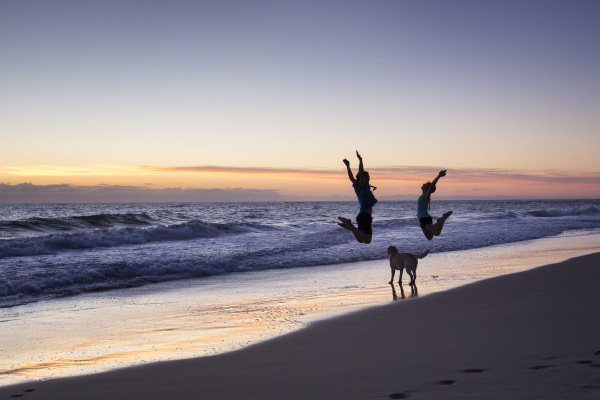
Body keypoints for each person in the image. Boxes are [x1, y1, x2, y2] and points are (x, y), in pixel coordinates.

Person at [338, 151, 377, 244]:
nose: (370, 179)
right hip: (365, 216)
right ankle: (350, 226)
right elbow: (360, 173)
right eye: (369, 177)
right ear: (364, 178)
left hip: (361, 216)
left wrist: (347, 166)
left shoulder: (357, 186)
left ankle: (349, 224)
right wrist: (360, 160)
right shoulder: (363, 186)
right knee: (367, 240)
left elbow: (351, 177)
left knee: (361, 239)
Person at [417, 170, 453, 241]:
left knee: (436, 233)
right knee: (430, 237)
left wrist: (439, 176)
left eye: (425, 184)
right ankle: (439, 221)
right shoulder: (422, 196)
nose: (423, 184)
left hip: (425, 218)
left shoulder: (426, 197)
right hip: (421, 219)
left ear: (428, 188)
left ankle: (443, 219)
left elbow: (432, 185)